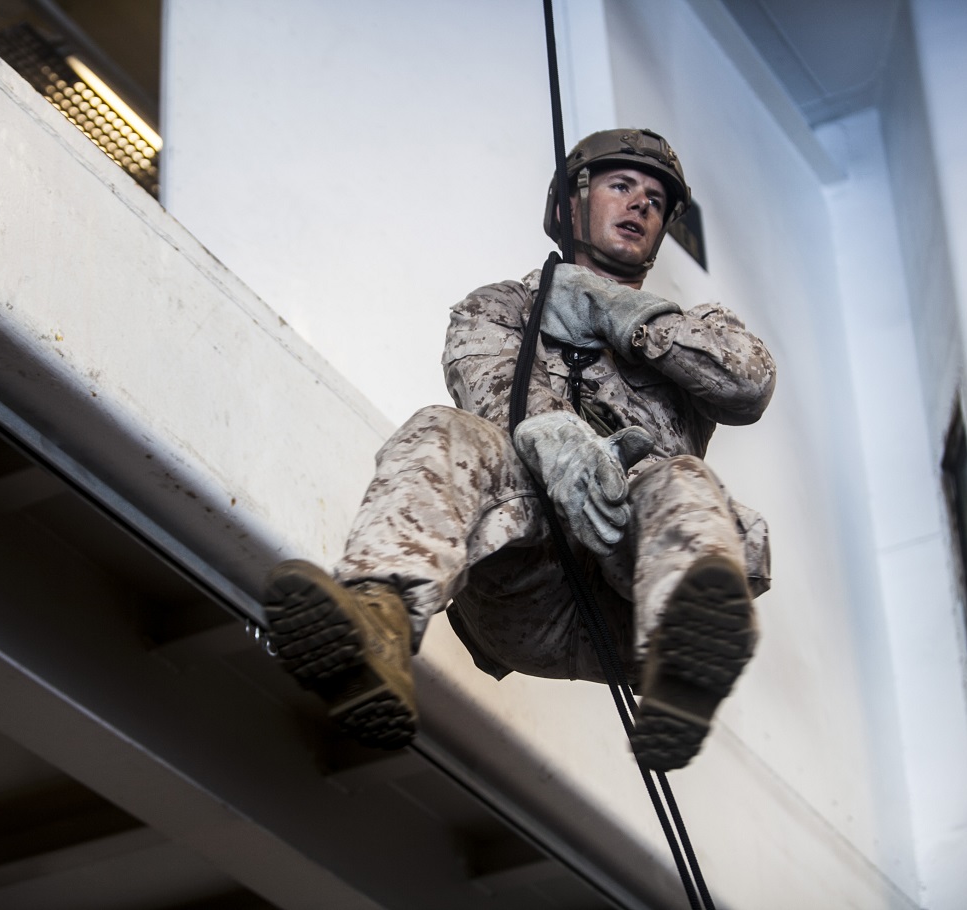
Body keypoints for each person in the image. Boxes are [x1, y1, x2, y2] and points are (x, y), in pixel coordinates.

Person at [263, 128, 774, 771]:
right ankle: (377, 622)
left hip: (632, 596)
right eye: (622, 186)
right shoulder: (498, 308)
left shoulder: (700, 327)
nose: (641, 205)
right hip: (520, 586)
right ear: (569, 205)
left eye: (654, 199)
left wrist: (618, 312)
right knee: (443, 430)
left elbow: (747, 383)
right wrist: (548, 429)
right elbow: (485, 394)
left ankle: (687, 663)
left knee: (680, 479)